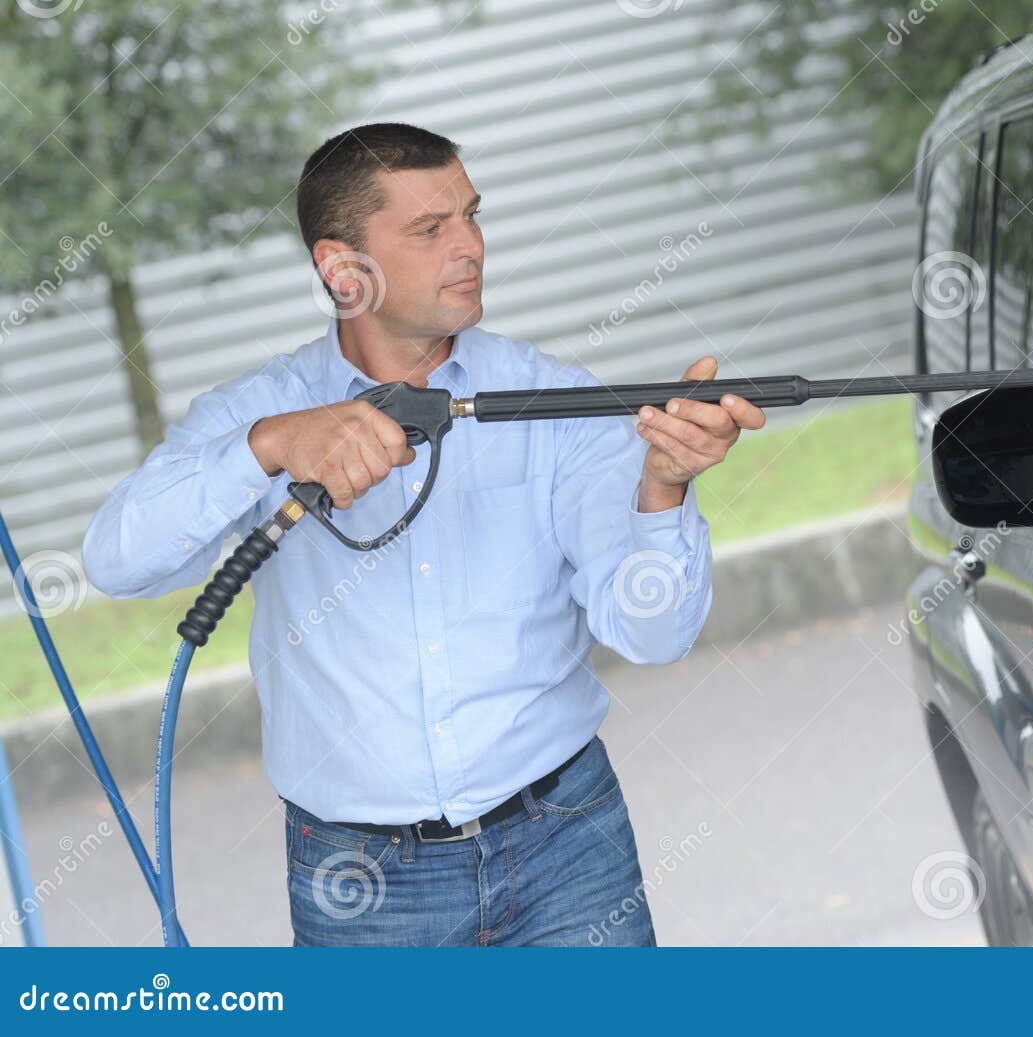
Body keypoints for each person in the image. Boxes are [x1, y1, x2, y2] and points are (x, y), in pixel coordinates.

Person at [82, 122, 765, 945]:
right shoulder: (257, 413)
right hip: (361, 887)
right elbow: (116, 561)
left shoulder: (554, 399)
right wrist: (270, 447)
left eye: (472, 217)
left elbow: (654, 635)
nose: (469, 247)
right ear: (343, 271)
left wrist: (663, 490)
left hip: (570, 846)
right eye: (430, 229)